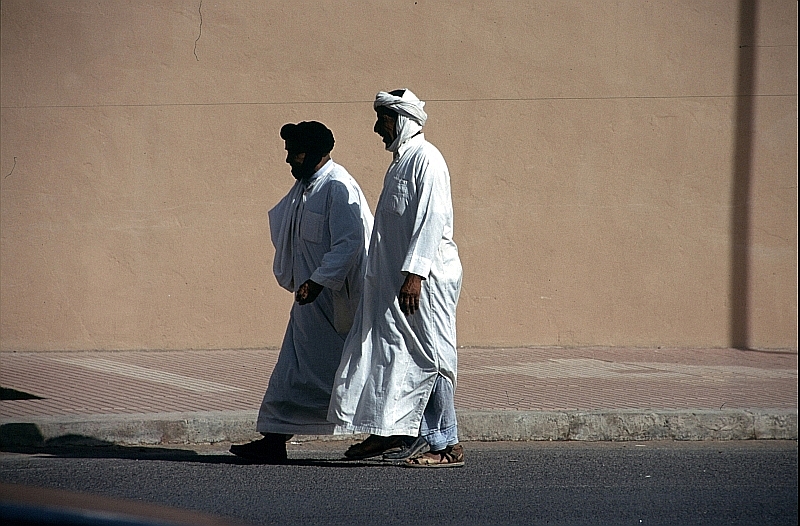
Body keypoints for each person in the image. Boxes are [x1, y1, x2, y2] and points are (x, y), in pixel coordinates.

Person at [328, 89, 464, 467]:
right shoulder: (401, 163)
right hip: (395, 283)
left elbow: (431, 221)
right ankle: (391, 432)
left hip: (425, 281)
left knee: (432, 357)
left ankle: (445, 446)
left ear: (401, 119)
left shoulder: (427, 160)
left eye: (382, 120)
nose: (376, 129)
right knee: (395, 356)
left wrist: (415, 275)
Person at [230, 121, 373, 463]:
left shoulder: (338, 188)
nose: (288, 161)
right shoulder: (308, 188)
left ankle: (391, 433)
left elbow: (349, 243)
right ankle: (273, 439)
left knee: (355, 373)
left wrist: (318, 280)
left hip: (337, 306)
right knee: (291, 371)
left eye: (293, 153)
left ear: (311, 153)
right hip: (310, 305)